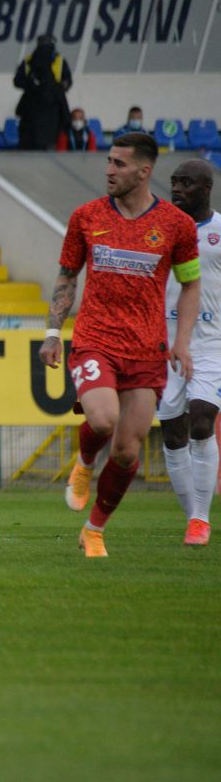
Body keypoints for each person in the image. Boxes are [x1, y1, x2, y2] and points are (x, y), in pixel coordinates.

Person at [40, 133, 200, 558]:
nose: (109, 170)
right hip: (96, 339)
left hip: (147, 350)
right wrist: (53, 333)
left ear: (144, 171)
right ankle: (85, 463)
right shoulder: (86, 216)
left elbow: (190, 285)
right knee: (104, 419)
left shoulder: (177, 225)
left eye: (119, 164)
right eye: (109, 161)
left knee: (128, 452)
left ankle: (94, 530)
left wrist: (182, 342)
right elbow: (67, 276)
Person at [157, 160, 220, 546]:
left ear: (206, 188)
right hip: (166, 343)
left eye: (187, 183)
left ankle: (200, 519)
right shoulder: (160, 230)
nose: (177, 188)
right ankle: (193, 516)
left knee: (201, 420)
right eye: (174, 182)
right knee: (172, 432)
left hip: (211, 342)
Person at [13, 34, 71, 150]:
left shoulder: (58, 61)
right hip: (40, 108)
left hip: (44, 108)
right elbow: (18, 81)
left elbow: (67, 81)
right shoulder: (29, 61)